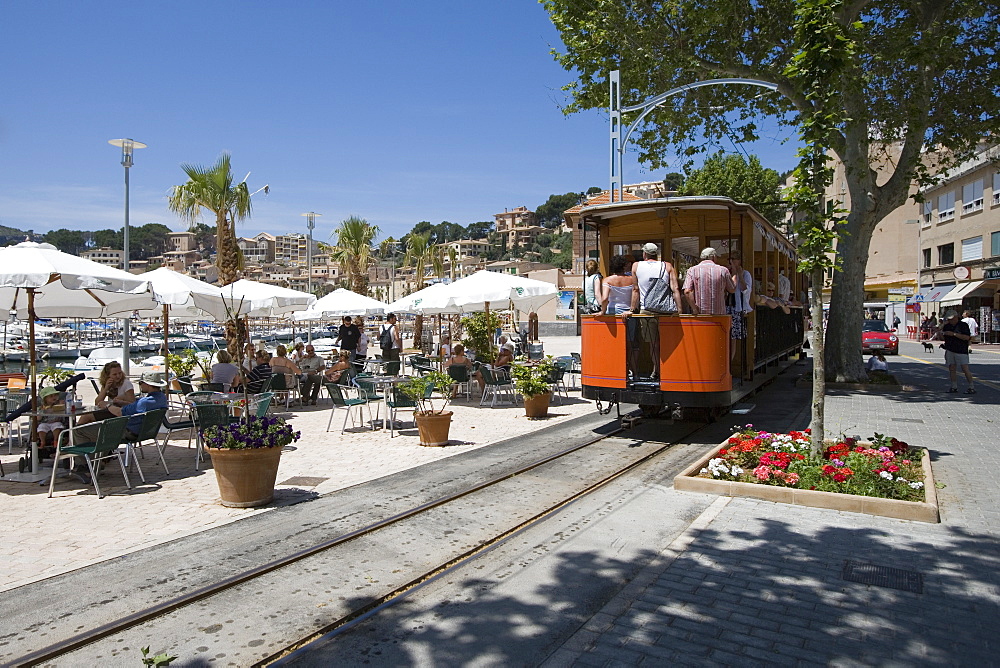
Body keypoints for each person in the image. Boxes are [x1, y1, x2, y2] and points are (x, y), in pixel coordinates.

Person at [75, 372, 169, 443]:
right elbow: (135, 407)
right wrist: (122, 402)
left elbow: (120, 413)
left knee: (78, 430)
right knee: (96, 425)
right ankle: (101, 459)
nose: (140, 385)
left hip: (127, 432)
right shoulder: (161, 398)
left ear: (148, 385)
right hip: (144, 432)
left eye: (141, 383)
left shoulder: (144, 402)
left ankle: (83, 464)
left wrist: (107, 405)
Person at [77, 361, 136, 426]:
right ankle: (75, 433)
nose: (118, 376)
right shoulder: (107, 383)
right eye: (114, 374)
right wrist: (105, 389)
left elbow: (133, 404)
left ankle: (74, 432)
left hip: (120, 412)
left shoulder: (126, 384)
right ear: (108, 375)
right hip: (110, 410)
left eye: (120, 373)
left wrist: (121, 401)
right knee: (86, 417)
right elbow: (97, 402)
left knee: (87, 416)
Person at [632, 243, 682, 314]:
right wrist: (679, 309)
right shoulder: (667, 266)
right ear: (656, 254)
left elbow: (635, 290)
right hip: (664, 308)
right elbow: (675, 289)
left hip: (645, 308)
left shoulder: (636, 266)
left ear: (645, 254)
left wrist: (632, 309)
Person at [683, 247, 736, 316]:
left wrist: (694, 309)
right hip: (719, 315)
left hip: (700, 315)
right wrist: (735, 275)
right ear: (713, 257)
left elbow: (687, 292)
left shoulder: (692, 270)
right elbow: (732, 289)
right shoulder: (723, 270)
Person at [939, 309, 975, 393]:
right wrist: (941, 333)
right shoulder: (947, 326)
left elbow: (967, 337)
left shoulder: (963, 325)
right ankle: (954, 386)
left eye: (951, 319)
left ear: (956, 317)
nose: (950, 320)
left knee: (965, 368)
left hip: (961, 350)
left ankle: (971, 387)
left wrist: (954, 334)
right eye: (948, 319)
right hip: (950, 349)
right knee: (952, 368)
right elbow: (943, 338)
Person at [727, 251, 754, 358]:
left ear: (739, 261)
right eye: (730, 259)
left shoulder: (746, 274)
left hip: (737, 308)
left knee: (733, 337)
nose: (731, 261)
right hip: (726, 306)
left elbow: (745, 290)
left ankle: (731, 362)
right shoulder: (726, 272)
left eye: (734, 259)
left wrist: (740, 276)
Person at [36, 386, 67, 456]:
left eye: (55, 395)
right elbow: (38, 419)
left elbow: (65, 412)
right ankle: (42, 441)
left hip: (56, 421)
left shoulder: (59, 405)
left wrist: (63, 405)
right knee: (41, 427)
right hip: (45, 422)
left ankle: (56, 440)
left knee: (57, 426)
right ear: (45, 399)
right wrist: (42, 412)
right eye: (51, 396)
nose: (54, 397)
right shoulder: (42, 407)